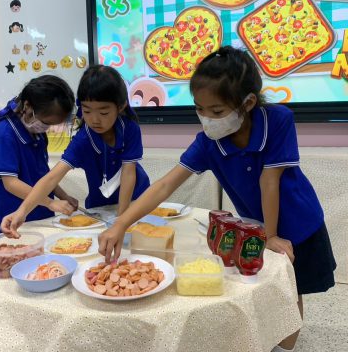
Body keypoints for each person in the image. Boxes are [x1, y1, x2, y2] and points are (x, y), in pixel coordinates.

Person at [97, 46, 336, 352]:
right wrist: (121, 223)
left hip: (299, 224)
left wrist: (272, 235)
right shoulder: (208, 143)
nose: (207, 119)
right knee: (262, 288)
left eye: (217, 112)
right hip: (257, 228)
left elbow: (269, 181)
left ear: (248, 102)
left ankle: (285, 345)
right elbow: (165, 185)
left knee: (290, 292)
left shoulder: (277, 120)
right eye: (200, 109)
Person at [0, 65, 150, 237]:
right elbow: (52, 177)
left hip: (136, 200)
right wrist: (22, 212)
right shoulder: (83, 140)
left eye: (103, 112)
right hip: (100, 206)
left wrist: (122, 219)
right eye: (87, 111)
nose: (94, 120)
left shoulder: (129, 128)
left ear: (121, 106)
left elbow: (129, 173)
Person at [0, 75, 77, 240]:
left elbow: (44, 175)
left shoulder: (36, 132)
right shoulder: (4, 133)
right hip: (10, 213)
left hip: (37, 211)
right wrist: (50, 202)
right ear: (27, 106)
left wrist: (63, 196)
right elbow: (11, 183)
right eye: (46, 122)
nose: (47, 128)